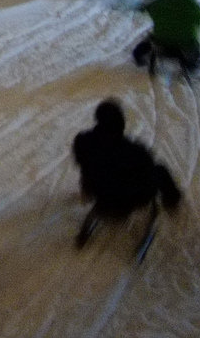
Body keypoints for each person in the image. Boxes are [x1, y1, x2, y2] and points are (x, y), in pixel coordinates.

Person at [71, 100, 182, 248]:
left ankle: (108, 196)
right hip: (129, 202)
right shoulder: (134, 151)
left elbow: (81, 164)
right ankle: (172, 199)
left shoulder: (82, 142)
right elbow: (147, 172)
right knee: (159, 170)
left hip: (100, 195)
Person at [133, 0, 200, 77]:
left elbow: (142, 8)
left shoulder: (160, 2)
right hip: (184, 46)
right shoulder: (192, 6)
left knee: (148, 41)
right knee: (195, 45)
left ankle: (139, 57)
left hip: (161, 43)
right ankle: (191, 64)